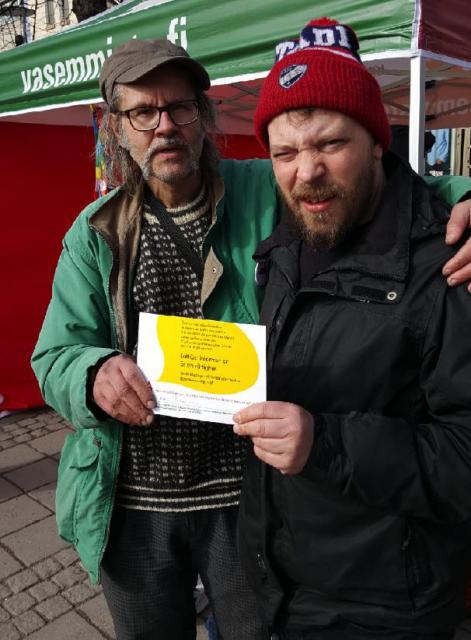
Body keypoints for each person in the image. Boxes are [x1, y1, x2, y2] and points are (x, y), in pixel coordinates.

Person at [31, 36, 471, 640]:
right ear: (117, 127)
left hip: (243, 498)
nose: (165, 126)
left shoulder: (262, 187)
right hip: (134, 505)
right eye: (143, 113)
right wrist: (92, 373)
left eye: (180, 107)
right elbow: (54, 354)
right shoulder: (94, 232)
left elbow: (378, 188)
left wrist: (464, 198)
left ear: (204, 116)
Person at [233, 17, 471, 640]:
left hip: (384, 610)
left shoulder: (449, 266)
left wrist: (326, 444)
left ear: (375, 140)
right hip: (277, 589)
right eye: (285, 153)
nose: (306, 171)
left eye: (331, 144)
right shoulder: (283, 248)